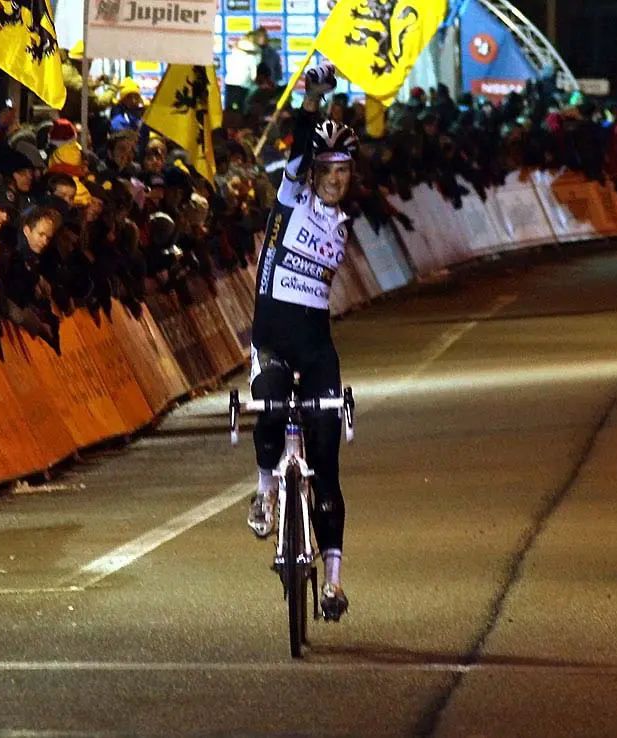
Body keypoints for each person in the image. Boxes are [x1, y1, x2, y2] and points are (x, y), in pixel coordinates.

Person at [247, 62, 358, 621]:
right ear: (311, 173)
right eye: (329, 170)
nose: (338, 180)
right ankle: (266, 489)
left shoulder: (342, 221)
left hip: (317, 349)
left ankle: (334, 581)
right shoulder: (291, 200)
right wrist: (313, 96)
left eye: (345, 171)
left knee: (329, 466)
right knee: (267, 409)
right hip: (271, 340)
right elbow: (299, 136)